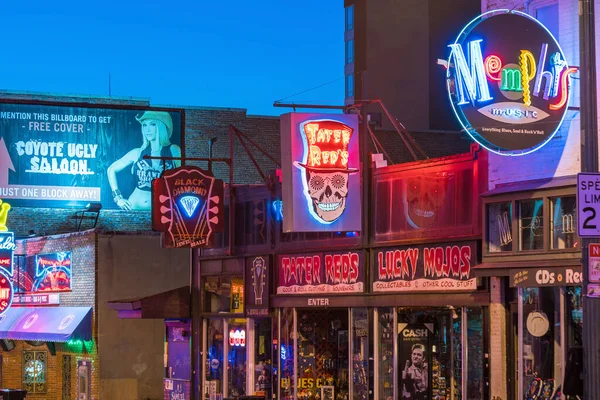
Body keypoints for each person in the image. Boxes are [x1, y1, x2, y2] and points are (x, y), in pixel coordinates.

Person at [107, 111, 180, 210]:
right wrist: (118, 198)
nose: (147, 129)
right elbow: (111, 169)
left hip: (162, 213)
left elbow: (181, 180)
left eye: (152, 124)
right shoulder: (137, 153)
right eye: (144, 125)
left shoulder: (173, 150)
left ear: (160, 126)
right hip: (133, 209)